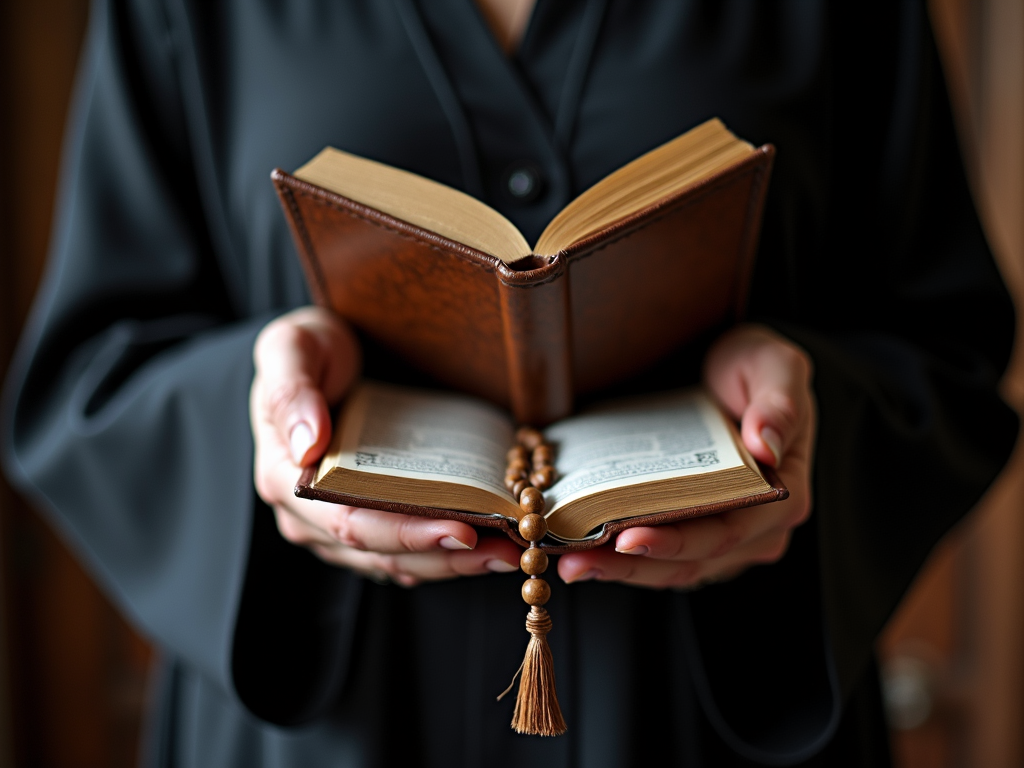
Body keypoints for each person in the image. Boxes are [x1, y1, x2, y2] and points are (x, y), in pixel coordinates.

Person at [2, 1, 1017, 766]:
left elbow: (944, 352)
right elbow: (92, 375)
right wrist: (261, 424)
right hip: (328, 727)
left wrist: (807, 422)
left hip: (694, 721)